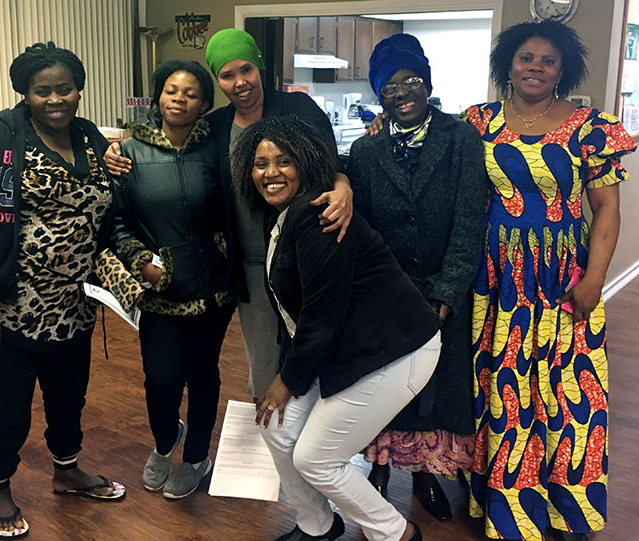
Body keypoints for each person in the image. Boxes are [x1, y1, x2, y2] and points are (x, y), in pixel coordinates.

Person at [105, 28, 354, 401]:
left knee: (316, 345)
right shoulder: (216, 128)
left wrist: (344, 184)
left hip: (305, 257)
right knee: (265, 358)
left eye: (246, 70)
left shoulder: (297, 110)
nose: (239, 83)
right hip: (250, 265)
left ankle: (318, 431)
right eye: (227, 75)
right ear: (218, 83)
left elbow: (330, 166)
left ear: (260, 67)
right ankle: (273, 431)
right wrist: (118, 151)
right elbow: (176, 151)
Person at [231, 114, 443, 541]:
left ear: (305, 163)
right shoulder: (287, 215)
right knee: (276, 426)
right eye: (260, 163)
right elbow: (301, 315)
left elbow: (321, 315)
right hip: (343, 346)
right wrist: (288, 377)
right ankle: (317, 525)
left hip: (395, 348)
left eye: (283, 160)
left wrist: (286, 381)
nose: (271, 172)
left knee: (316, 459)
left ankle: (396, 533)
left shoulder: (317, 216)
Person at [464, 21, 636, 541]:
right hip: (496, 277)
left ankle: (566, 508)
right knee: (503, 386)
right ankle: (507, 506)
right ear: (507, 65)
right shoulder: (478, 122)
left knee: (567, 389)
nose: (535, 66)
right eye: (525, 57)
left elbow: (606, 210)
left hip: (564, 274)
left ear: (564, 70)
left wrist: (595, 281)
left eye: (548, 60)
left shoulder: (590, 127)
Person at [0, 42, 125, 539]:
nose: (55, 99)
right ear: (25, 93)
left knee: (68, 397)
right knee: (7, 404)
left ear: (79, 90)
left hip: (75, 303)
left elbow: (108, 202)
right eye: (42, 90)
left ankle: (67, 470)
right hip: (13, 308)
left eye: (64, 89)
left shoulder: (90, 137)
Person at [348, 33, 486, 522]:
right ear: (379, 94)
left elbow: (470, 221)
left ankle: (426, 476)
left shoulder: (461, 139)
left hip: (444, 291)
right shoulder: (366, 153)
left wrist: (445, 293)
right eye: (391, 86)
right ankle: (381, 471)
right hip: (387, 295)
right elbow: (359, 227)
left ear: (427, 83)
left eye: (413, 81)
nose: (404, 92)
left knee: (434, 393)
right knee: (385, 387)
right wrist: (378, 292)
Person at [110, 60, 236, 499]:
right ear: (157, 96)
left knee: (204, 375)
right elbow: (115, 223)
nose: (179, 99)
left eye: (190, 93)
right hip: (159, 292)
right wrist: (140, 260)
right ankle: (167, 442)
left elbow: (234, 212)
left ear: (204, 104)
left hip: (214, 290)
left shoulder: (217, 150)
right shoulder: (128, 155)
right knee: (161, 378)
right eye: (170, 90)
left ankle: (198, 457)